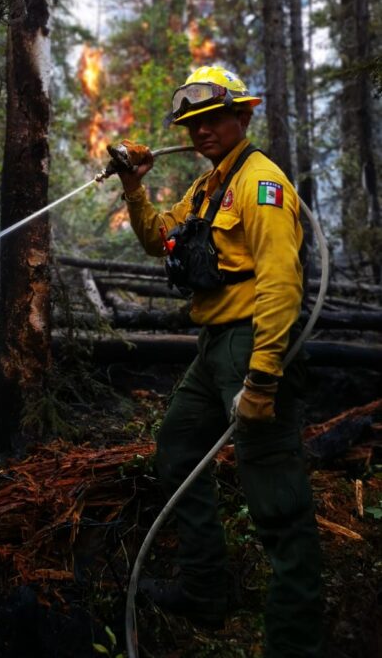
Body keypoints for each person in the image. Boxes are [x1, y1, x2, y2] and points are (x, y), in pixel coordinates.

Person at [117, 65, 323, 658]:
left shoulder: (263, 185)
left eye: (212, 118)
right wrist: (135, 185)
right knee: (180, 449)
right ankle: (205, 591)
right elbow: (159, 237)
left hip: (253, 343)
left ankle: (294, 640)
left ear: (243, 116)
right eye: (191, 122)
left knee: (276, 497)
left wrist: (262, 377)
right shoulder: (209, 189)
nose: (201, 130)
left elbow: (282, 285)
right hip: (214, 349)